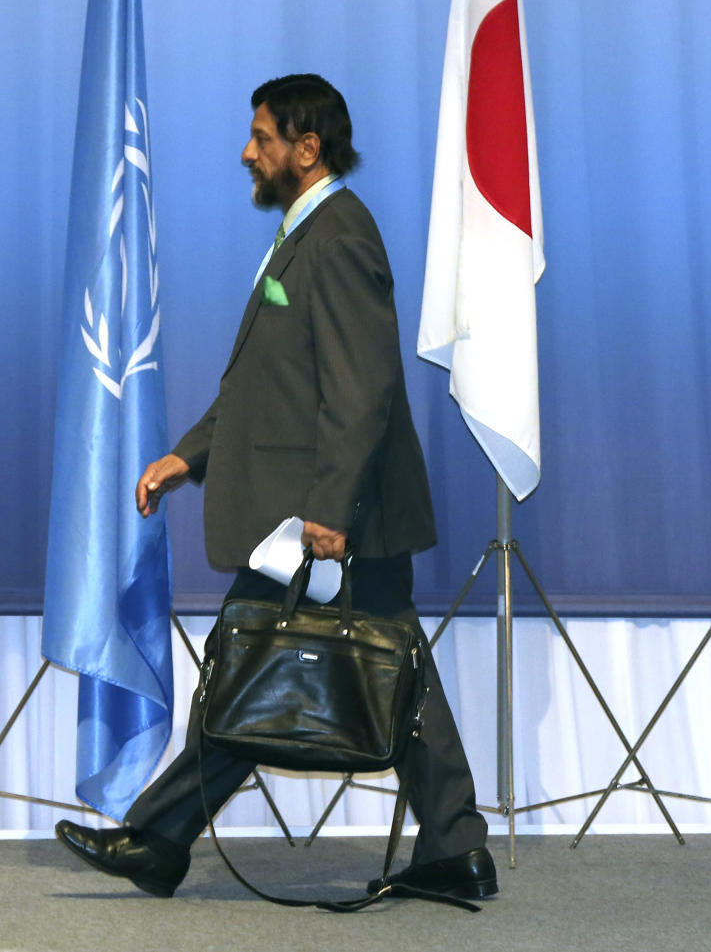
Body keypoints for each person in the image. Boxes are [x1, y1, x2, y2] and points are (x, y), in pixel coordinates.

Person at [56, 73, 496, 903]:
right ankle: (457, 846)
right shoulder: (308, 234)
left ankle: (159, 837)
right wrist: (188, 455)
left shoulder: (339, 234)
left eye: (262, 137)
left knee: (261, 664)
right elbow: (269, 386)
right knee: (386, 672)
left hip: (331, 521)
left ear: (307, 148)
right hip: (325, 518)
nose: (247, 152)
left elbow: (362, 389)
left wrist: (330, 512)